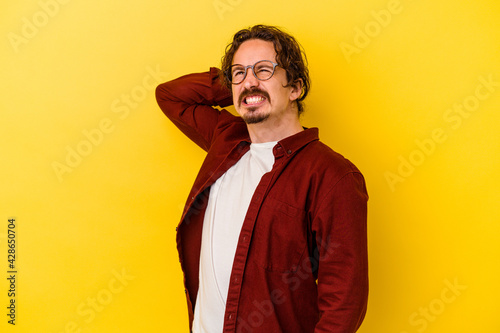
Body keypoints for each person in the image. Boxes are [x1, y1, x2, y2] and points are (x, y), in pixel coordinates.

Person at [156, 24, 368, 333]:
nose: (249, 81)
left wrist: (247, 83)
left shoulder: (332, 175)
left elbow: (345, 302)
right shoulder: (225, 139)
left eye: (264, 70)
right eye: (239, 72)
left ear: (295, 87)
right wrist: (239, 85)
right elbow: (171, 96)